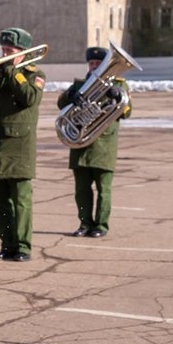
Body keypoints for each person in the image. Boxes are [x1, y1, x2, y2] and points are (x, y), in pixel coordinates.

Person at [0, 28, 44, 261]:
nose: (5, 54)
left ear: (23, 53)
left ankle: (22, 247)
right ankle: (7, 245)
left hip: (18, 148)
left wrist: (12, 72)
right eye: (3, 50)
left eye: (10, 51)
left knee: (20, 200)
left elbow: (29, 97)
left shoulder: (34, 73)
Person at [62, 46, 132, 238]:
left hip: (103, 145)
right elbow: (61, 104)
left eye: (98, 63)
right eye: (91, 63)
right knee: (81, 190)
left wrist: (117, 95)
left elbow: (127, 112)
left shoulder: (119, 85)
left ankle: (101, 225)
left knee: (103, 190)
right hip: (81, 144)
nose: (94, 66)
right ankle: (84, 223)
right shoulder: (79, 85)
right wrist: (71, 97)